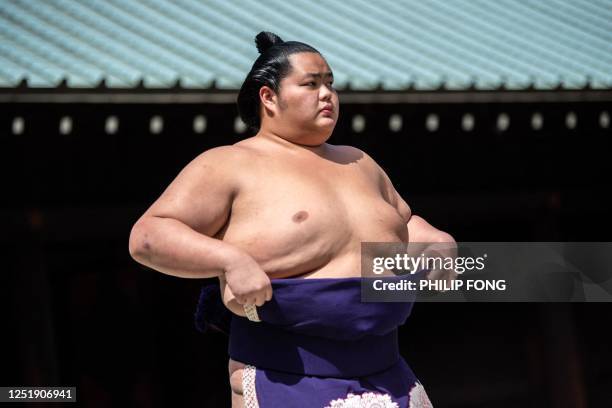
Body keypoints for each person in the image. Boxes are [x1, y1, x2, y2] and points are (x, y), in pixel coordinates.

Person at [129, 31, 455, 407]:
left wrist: (435, 240)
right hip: (284, 373)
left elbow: (400, 223)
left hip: (389, 371)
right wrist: (230, 260)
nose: (327, 94)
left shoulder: (359, 161)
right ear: (268, 96)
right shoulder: (229, 164)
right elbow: (148, 235)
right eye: (311, 84)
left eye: (330, 84)